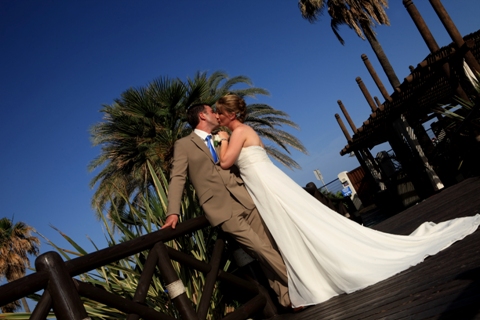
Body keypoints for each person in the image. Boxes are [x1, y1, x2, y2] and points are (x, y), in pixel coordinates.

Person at [215, 93, 480, 308]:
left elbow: (225, 162)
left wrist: (221, 141)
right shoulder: (243, 131)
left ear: (232, 114)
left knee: (294, 225)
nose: (217, 116)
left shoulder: (236, 132)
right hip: (265, 184)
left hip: (266, 186)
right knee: (295, 227)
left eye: (220, 112)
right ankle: (314, 275)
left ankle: (319, 277)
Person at [163, 103, 291, 308]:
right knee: (258, 248)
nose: (217, 114)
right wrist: (173, 212)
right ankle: (300, 285)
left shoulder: (224, 136)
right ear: (203, 116)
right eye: (212, 111)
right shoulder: (184, 144)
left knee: (268, 246)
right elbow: (177, 177)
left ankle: (287, 299)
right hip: (220, 209)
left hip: (244, 198)